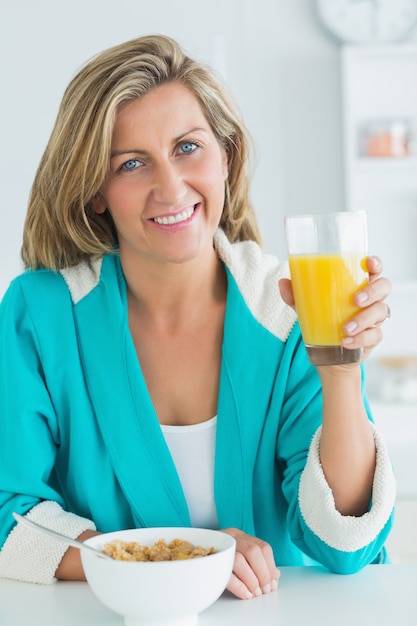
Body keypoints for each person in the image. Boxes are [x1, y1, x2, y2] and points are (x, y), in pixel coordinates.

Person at [0, 34, 395, 600]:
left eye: (188, 148)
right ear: (96, 193)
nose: (170, 187)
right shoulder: (39, 317)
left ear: (226, 156)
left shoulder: (288, 310)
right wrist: (180, 560)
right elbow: (9, 518)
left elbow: (345, 545)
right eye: (132, 164)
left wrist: (338, 371)